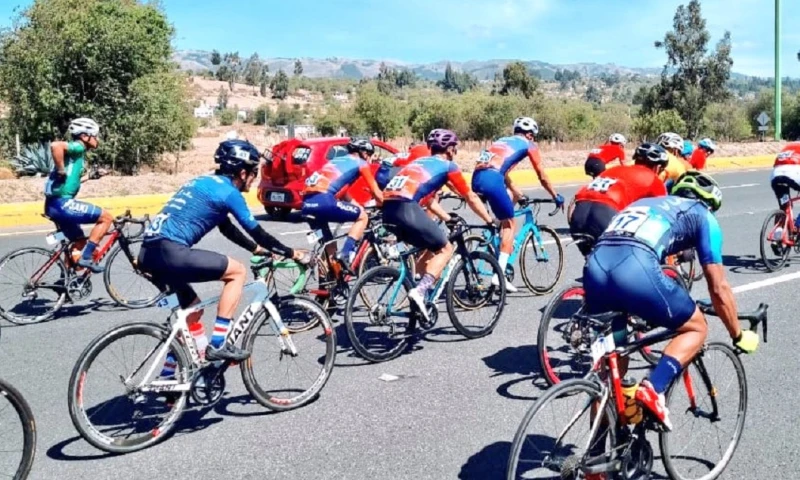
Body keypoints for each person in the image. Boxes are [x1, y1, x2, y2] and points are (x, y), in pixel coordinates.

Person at [582, 171, 758, 432]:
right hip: (634, 267)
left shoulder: (647, 204)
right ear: (710, 201)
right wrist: (737, 334)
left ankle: (597, 459)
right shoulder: (702, 214)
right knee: (696, 327)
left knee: (612, 369)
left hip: (594, 267)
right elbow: (718, 287)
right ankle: (654, 388)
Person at [139, 139, 310, 363]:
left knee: (192, 313)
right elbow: (257, 232)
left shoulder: (201, 182)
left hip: (148, 253)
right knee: (237, 272)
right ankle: (219, 343)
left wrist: (255, 249)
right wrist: (292, 253)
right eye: (253, 172)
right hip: (171, 251)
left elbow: (226, 227)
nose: (255, 177)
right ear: (241, 172)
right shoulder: (229, 193)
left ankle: (173, 382)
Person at [382, 128, 496, 321]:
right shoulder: (447, 166)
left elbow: (427, 200)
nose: (455, 152)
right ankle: (420, 292)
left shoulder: (418, 163)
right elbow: (470, 196)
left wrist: (446, 218)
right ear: (450, 149)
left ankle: (418, 297)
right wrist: (489, 220)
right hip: (407, 208)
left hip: (387, 210)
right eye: (455, 148)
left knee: (427, 247)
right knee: (445, 248)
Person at [471, 117, 564, 292]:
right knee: (510, 225)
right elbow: (542, 175)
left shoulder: (501, 142)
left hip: (476, 179)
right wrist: (555, 195)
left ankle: (495, 232)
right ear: (529, 135)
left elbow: (503, 173)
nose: (534, 139)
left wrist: (519, 194)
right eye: (534, 136)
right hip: (492, 180)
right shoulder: (528, 145)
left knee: (509, 199)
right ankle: (500, 276)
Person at [568, 143, 669, 256]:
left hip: (577, 214)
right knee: (625, 262)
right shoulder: (653, 179)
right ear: (658, 167)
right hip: (604, 213)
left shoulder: (614, 169)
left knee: (594, 261)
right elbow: (665, 215)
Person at [301, 137, 383, 270]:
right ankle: (345, 254)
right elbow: (377, 192)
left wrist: (358, 206)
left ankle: (327, 287)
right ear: (364, 153)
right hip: (324, 201)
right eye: (370, 155)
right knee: (363, 217)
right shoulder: (361, 163)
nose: (370, 159)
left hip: (306, 204)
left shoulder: (336, 161)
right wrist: (386, 205)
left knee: (330, 249)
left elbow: (344, 193)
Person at [44, 117, 114, 273]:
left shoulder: (76, 155)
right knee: (106, 218)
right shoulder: (78, 147)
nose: (97, 139)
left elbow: (70, 180)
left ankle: (66, 282)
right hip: (63, 204)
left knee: (79, 241)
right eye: (94, 135)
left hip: (53, 205)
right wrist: (60, 170)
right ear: (84, 136)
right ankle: (86, 258)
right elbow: (56, 145)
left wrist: (91, 176)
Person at [768, 142, 800, 244]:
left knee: (784, 206)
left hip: (776, 175)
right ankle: (798, 225)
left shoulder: (788, 147)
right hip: (793, 173)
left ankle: (777, 237)